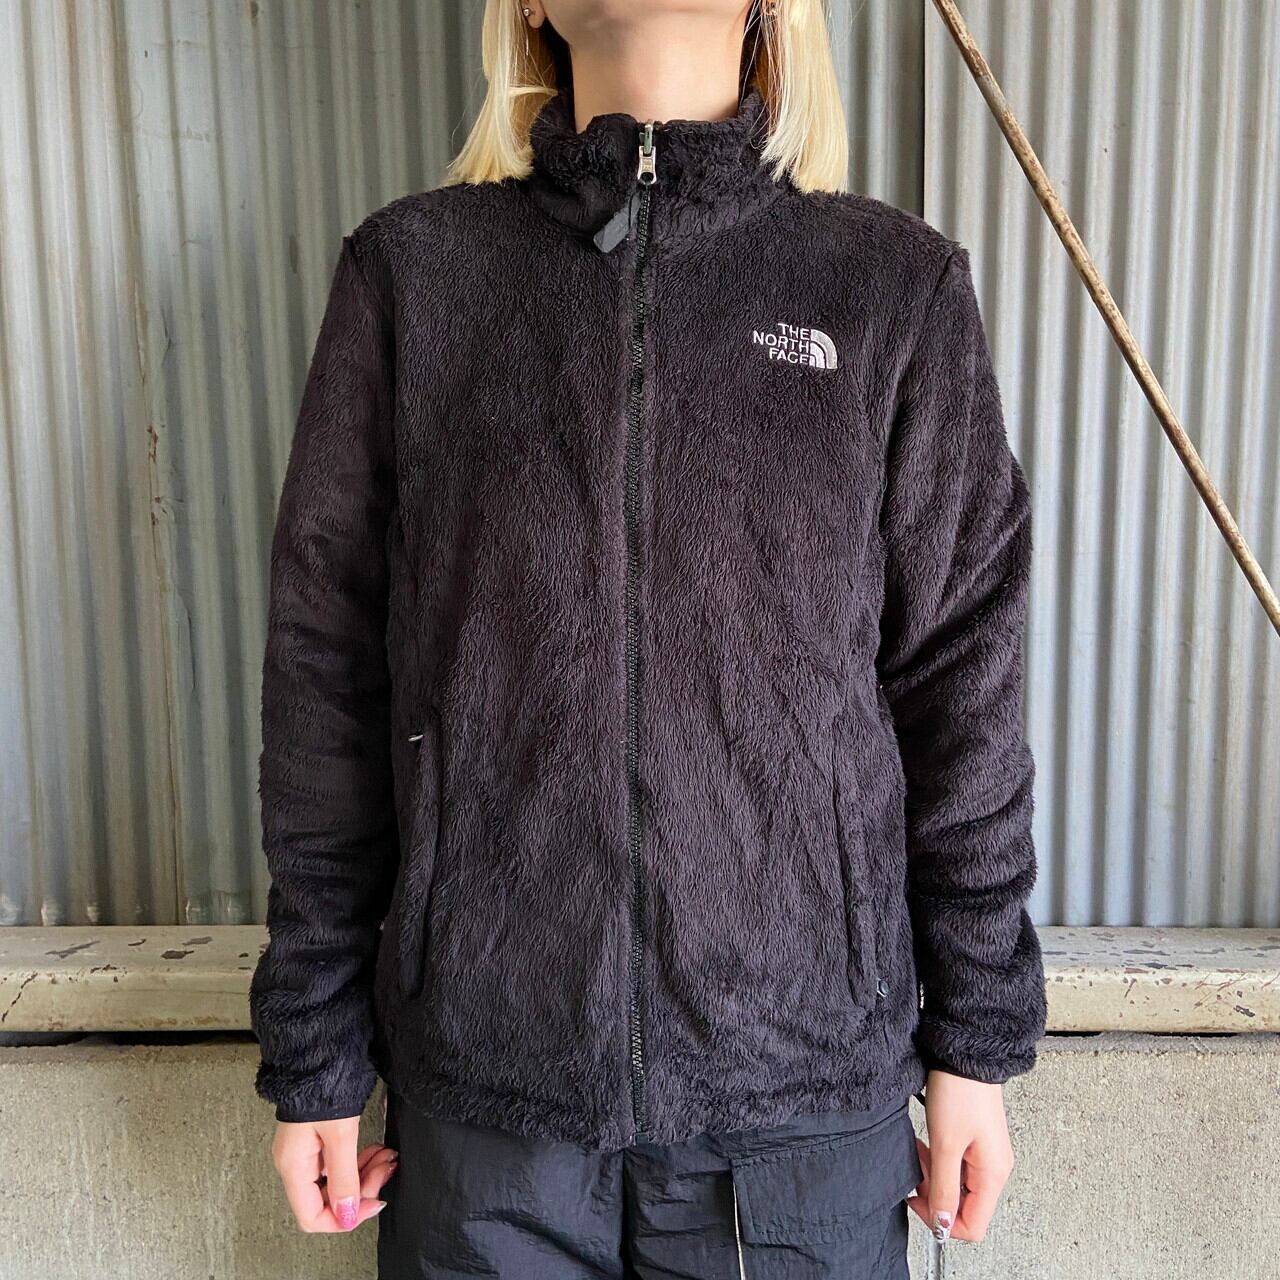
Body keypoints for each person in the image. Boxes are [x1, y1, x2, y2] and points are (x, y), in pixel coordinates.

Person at [248, 1, 1048, 1275]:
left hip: (795, 1108)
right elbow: (326, 680)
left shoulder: (889, 287)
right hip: (488, 1105)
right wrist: (314, 1045)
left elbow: (961, 684)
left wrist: (975, 1041)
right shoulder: (414, 277)